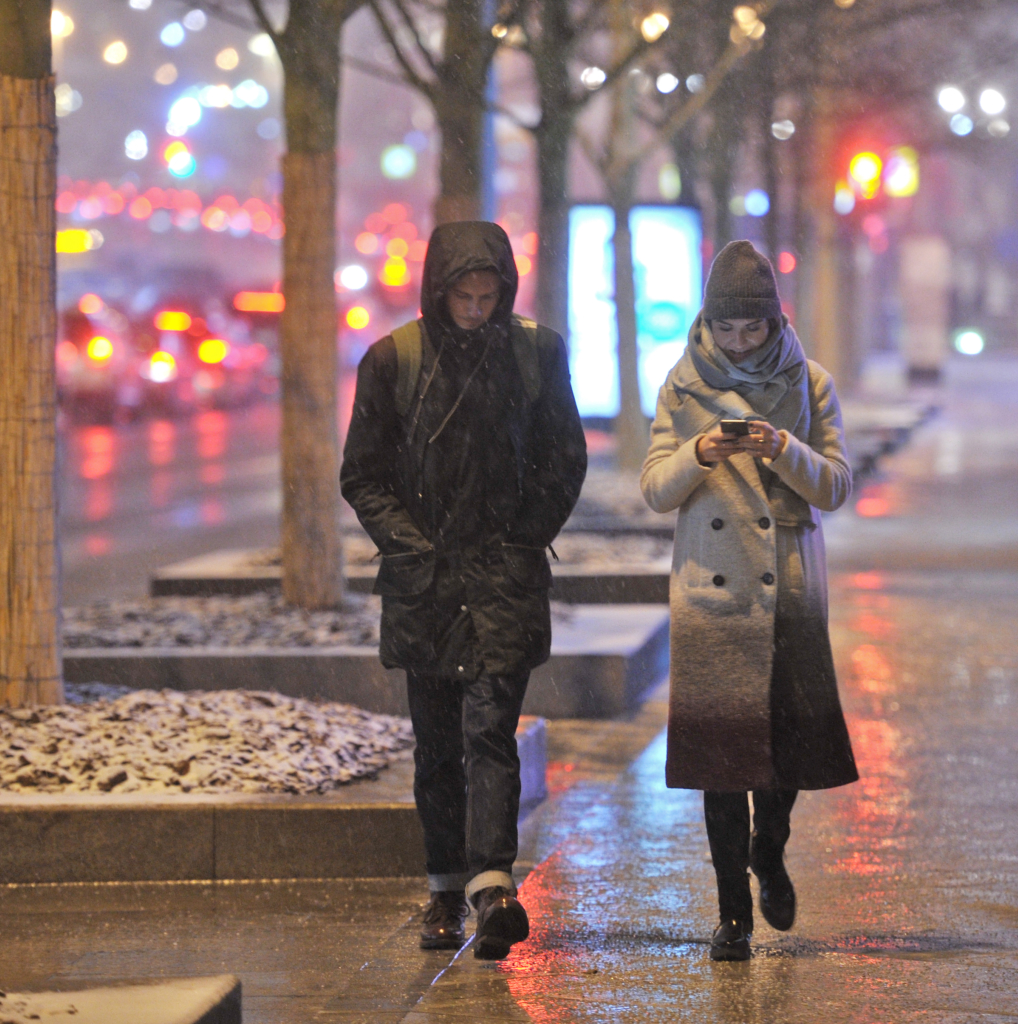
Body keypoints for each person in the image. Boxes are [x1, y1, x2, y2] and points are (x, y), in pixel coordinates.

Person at [340, 221, 587, 960]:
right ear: (438, 291)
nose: (476, 309)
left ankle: (491, 886)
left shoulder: (536, 354)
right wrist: (412, 545)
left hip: (502, 578)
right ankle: (446, 889)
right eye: (464, 296)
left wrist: (521, 534)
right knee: (437, 746)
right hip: (426, 583)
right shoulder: (393, 361)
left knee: (489, 734)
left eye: (489, 296)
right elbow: (363, 472)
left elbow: (561, 455)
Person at [640, 241, 859, 962]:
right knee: (722, 762)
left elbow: (835, 487)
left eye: (752, 330)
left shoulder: (811, 382)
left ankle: (771, 848)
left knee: (786, 757)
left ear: (773, 322)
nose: (738, 344)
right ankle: (732, 912)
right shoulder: (680, 384)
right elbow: (653, 490)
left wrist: (780, 449)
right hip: (712, 594)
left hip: (789, 592)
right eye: (727, 330)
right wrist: (698, 454)